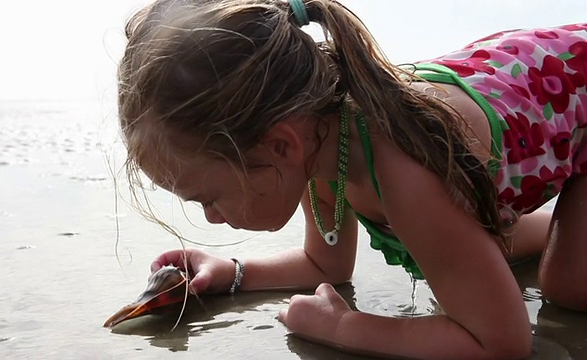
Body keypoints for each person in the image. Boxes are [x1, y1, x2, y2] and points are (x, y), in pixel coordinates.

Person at [116, 0, 587, 357]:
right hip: (541, 98)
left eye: (209, 197)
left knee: (568, 286)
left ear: (280, 147)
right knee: (461, 249)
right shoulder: (317, 136)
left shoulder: (405, 172)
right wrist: (234, 273)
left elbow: (499, 342)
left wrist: (344, 327)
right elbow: (325, 264)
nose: (212, 218)